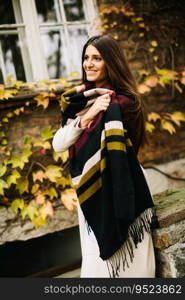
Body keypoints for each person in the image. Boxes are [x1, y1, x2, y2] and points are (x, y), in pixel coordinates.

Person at [52, 35, 157, 278]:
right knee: (96, 268)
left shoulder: (125, 102)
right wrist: (87, 116)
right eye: (86, 58)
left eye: (97, 58)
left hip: (122, 187)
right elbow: (59, 143)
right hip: (92, 191)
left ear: (111, 62)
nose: (88, 64)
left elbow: (125, 150)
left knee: (134, 269)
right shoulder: (78, 102)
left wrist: (107, 108)